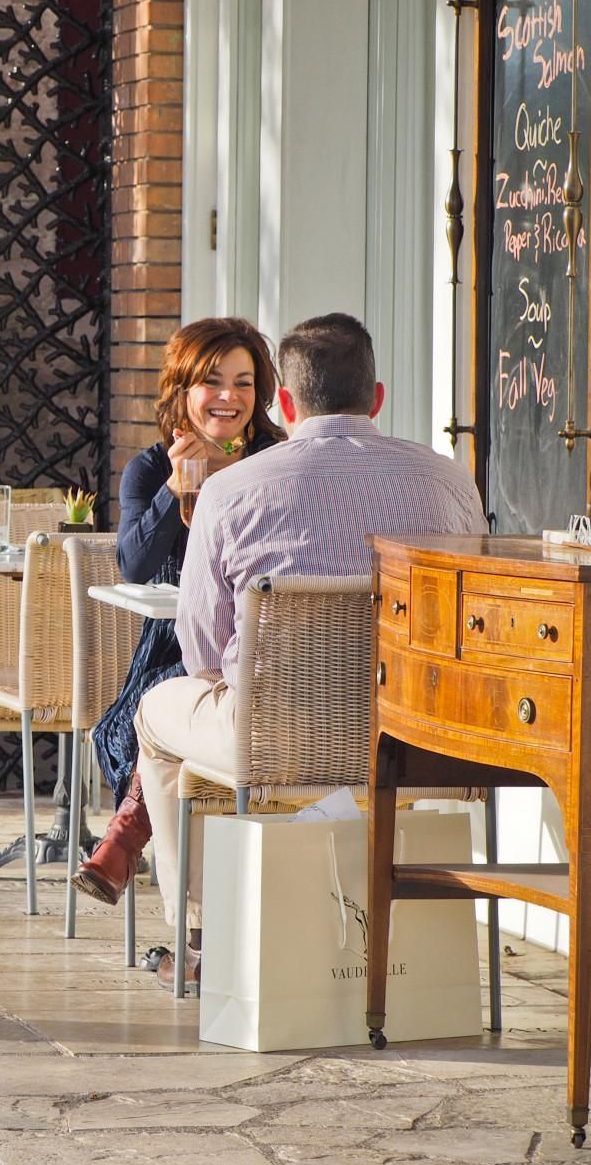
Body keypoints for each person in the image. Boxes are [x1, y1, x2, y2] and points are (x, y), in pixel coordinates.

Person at [134, 312, 486, 986]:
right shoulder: (451, 482)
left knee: (155, 716)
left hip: (273, 741)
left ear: (285, 405)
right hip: (420, 744)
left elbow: (202, 651)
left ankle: (203, 938)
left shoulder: (231, 490)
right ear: (377, 398)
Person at [71, 317, 285, 908]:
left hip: (263, 644)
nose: (229, 397)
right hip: (176, 644)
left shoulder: (275, 463)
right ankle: (168, 882)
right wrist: (178, 485)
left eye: (244, 383)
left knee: (171, 714)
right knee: (153, 705)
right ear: (182, 390)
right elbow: (135, 566)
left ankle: (122, 847)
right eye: (212, 381)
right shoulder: (147, 468)